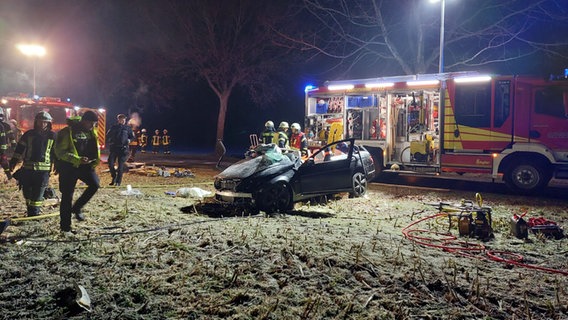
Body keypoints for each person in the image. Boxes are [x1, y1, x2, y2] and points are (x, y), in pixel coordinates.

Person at [54, 110, 101, 233]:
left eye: (94, 124)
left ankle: (77, 207)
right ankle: (65, 228)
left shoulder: (91, 132)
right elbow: (60, 152)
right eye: (91, 123)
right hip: (68, 167)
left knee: (95, 184)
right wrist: (77, 159)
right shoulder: (67, 132)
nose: (92, 126)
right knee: (67, 196)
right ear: (84, 121)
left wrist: (92, 160)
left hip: (85, 166)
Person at [8, 112, 56, 217]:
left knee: (37, 194)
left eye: (45, 122)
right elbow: (19, 149)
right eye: (40, 122)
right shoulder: (29, 134)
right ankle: (31, 210)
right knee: (27, 193)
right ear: (36, 122)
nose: (42, 124)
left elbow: (56, 153)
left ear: (48, 123)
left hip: (43, 171)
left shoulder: (53, 136)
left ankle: (34, 213)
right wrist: (13, 162)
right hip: (28, 169)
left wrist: (58, 165)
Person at [106, 114, 134, 186]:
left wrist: (129, 140)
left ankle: (118, 182)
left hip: (123, 149)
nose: (123, 121)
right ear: (118, 120)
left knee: (120, 166)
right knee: (110, 163)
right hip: (114, 148)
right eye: (121, 119)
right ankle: (114, 177)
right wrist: (110, 141)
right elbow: (108, 135)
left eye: (124, 120)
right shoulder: (113, 127)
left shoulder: (128, 128)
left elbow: (132, 137)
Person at [0, 108, 17, 179]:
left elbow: (11, 137)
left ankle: (9, 176)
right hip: (2, 149)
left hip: (2, 149)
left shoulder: (5, 126)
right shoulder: (6, 125)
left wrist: (14, 146)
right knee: (4, 162)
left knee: (4, 162)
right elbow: (12, 137)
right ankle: (9, 175)